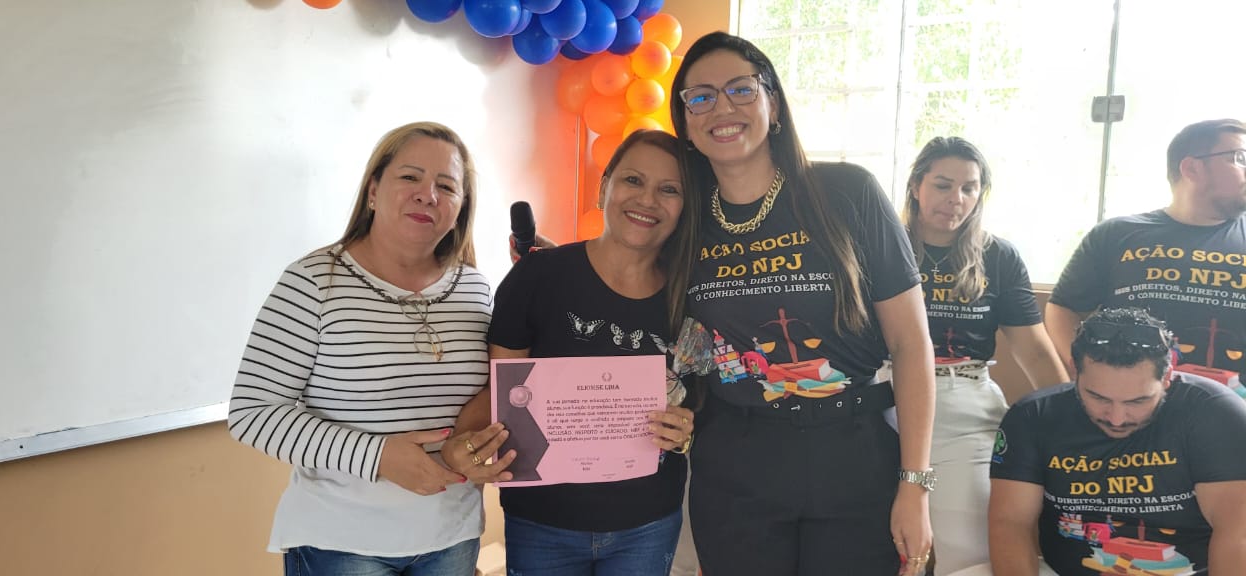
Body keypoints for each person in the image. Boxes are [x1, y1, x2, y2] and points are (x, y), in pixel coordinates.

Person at [669, 31, 936, 575]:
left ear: (773, 103)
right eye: (701, 96)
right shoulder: (685, 217)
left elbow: (911, 344)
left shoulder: (848, 193)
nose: (722, 108)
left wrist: (915, 485)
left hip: (853, 454)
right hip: (736, 459)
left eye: (741, 89)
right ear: (686, 122)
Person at [228, 122, 509, 576]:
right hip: (341, 543)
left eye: (446, 186)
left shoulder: (475, 288)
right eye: (410, 177)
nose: (427, 195)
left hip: (452, 537)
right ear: (374, 190)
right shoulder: (313, 281)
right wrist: (377, 456)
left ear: (461, 207)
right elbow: (252, 413)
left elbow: (495, 396)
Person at [447, 129, 698, 575]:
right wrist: (459, 451)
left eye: (670, 189)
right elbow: (502, 395)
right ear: (604, 188)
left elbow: (697, 402)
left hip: (647, 522)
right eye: (633, 180)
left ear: (686, 206)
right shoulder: (538, 277)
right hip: (543, 521)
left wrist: (684, 430)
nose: (647, 200)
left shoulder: (691, 296)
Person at [899, 137, 1069, 573]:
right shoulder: (881, 245)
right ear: (916, 185)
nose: (956, 199)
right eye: (942, 185)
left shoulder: (998, 256)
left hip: (966, 403)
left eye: (969, 188)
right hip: (886, 399)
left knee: (976, 548)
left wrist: (1072, 421)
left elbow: (1033, 350)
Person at [987, 307, 1246, 575]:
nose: (1117, 418)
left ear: (1167, 377)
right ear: (1075, 371)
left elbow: (1237, 536)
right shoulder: (1032, 416)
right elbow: (1010, 524)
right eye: (1098, 398)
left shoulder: (1216, 413)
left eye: (1138, 401)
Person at [1046, 119, 1246, 398]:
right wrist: (1089, 372)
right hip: (1129, 409)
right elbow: (1063, 308)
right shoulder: (1116, 235)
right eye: (1240, 158)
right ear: (1192, 168)